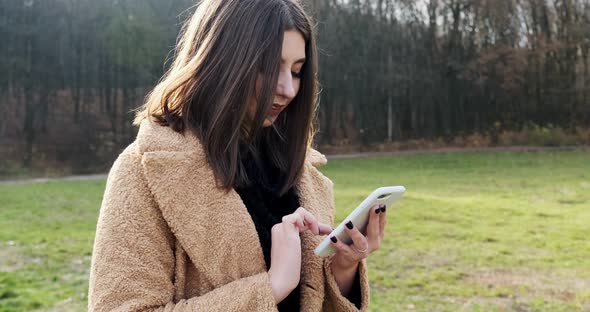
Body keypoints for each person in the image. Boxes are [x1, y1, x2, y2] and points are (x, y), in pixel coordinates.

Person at [88, 0, 389, 311]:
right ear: (221, 58)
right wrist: (269, 288)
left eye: (297, 71)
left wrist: (343, 271)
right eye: (270, 67)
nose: (287, 88)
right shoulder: (144, 170)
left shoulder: (300, 174)